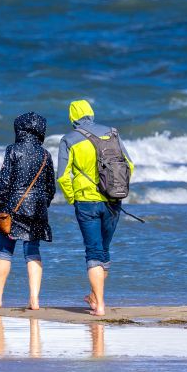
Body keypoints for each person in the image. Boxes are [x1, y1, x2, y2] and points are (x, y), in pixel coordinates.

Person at [56, 100, 134, 316]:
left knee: (93, 251)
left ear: (72, 117)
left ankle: (99, 304)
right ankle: (94, 296)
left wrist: (72, 198)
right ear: (91, 113)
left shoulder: (69, 139)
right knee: (104, 251)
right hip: (113, 200)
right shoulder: (112, 133)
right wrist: (116, 189)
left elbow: (62, 177)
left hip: (86, 202)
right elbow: (130, 165)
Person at [0, 112, 56, 310]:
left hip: (13, 206)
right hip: (38, 208)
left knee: (5, 251)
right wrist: (43, 204)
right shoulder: (45, 154)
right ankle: (34, 299)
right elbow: (51, 187)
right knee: (32, 251)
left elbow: (4, 181)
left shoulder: (12, 150)